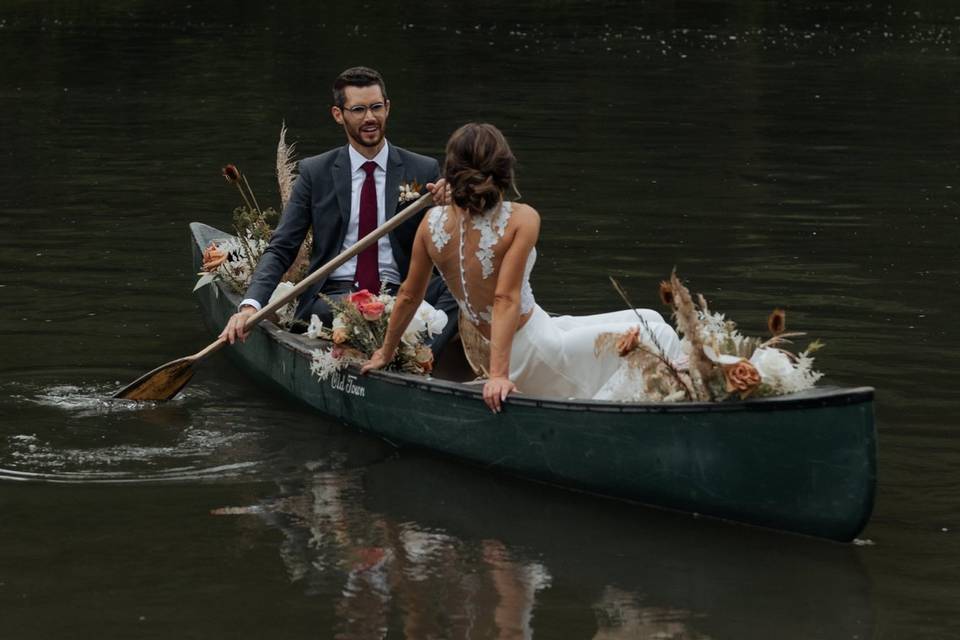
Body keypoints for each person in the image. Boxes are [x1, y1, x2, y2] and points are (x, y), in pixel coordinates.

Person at [361, 123, 683, 412]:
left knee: (648, 318)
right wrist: (499, 376)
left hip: (525, 338)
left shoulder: (431, 224)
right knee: (662, 335)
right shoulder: (522, 218)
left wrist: (384, 353)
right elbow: (504, 299)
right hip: (536, 353)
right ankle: (624, 416)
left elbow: (408, 296)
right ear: (503, 169)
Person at [220, 66, 457, 352]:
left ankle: (422, 356)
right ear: (338, 114)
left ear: (388, 108)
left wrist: (452, 208)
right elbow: (282, 247)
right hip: (335, 296)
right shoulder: (315, 171)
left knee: (462, 290)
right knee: (348, 311)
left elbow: (446, 247)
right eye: (358, 109)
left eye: (376, 107)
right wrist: (249, 306)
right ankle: (398, 342)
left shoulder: (422, 168)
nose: (369, 118)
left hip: (402, 293)